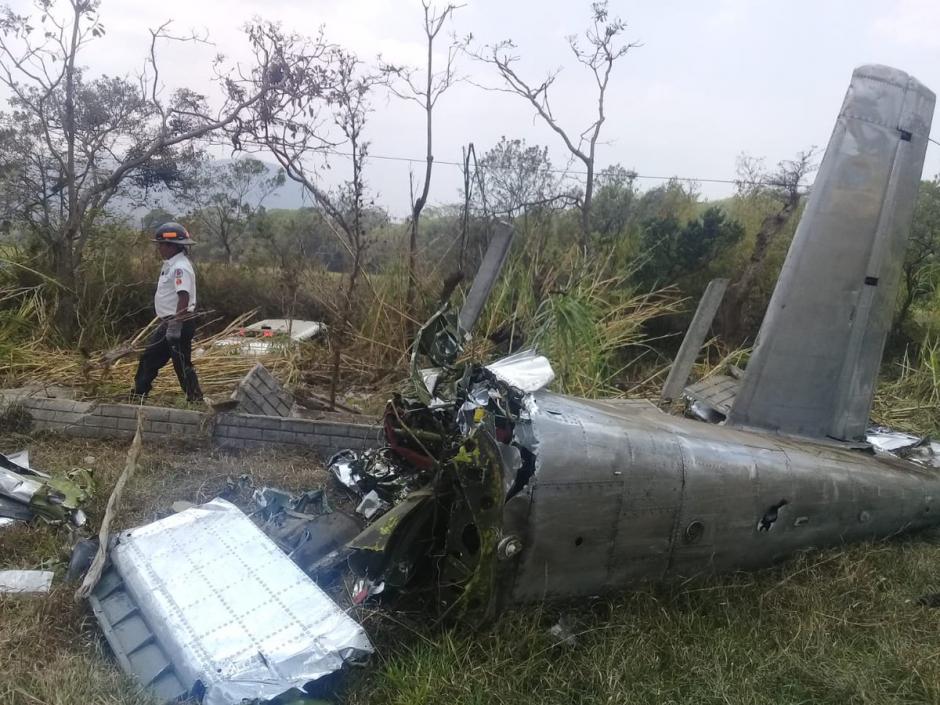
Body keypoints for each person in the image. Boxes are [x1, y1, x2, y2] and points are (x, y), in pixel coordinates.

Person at [132, 222, 204, 402]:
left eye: (161, 244)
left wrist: (175, 324)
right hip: (169, 322)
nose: (158, 248)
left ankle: (195, 399)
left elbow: (184, 297)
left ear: (172, 245)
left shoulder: (180, 267)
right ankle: (138, 395)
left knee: (181, 363)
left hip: (178, 322)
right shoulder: (171, 264)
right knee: (149, 358)